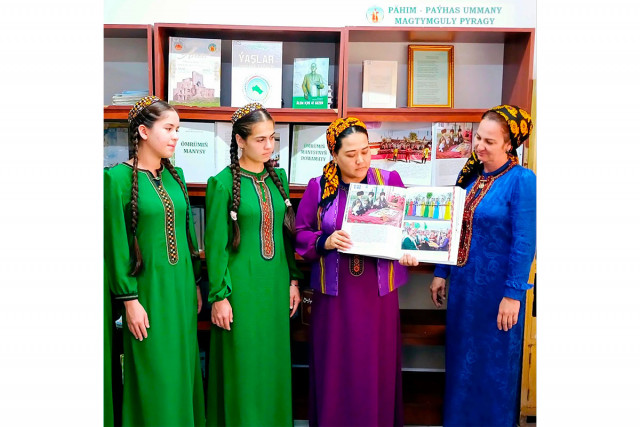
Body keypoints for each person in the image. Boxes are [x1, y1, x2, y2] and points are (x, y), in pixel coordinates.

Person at [295, 117, 418, 427]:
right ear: (334, 155)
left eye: (365, 151)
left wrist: (410, 248)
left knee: (375, 366)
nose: (361, 160)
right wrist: (324, 241)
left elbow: (410, 228)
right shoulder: (319, 187)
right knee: (336, 366)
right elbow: (300, 232)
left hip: (377, 295)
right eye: (351, 154)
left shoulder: (388, 181)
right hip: (335, 296)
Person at [429, 105, 536, 426]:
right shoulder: (471, 178)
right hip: (464, 293)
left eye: (489, 141)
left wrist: (513, 295)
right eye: (478, 138)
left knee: (493, 372)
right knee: (461, 367)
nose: (479, 146)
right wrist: (441, 272)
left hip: (497, 297)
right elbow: (454, 229)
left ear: (509, 144)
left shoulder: (521, 180)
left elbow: (525, 242)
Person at [104, 96, 205, 427]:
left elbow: (188, 237)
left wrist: (195, 284)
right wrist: (129, 300)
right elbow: (115, 246)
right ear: (144, 132)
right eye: (169, 128)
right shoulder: (116, 179)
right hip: (147, 293)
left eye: (178, 129)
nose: (176, 136)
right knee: (154, 374)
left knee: (182, 369)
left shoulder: (176, 176)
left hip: (181, 291)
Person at [204, 102, 302, 427]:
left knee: (272, 363)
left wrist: (293, 281)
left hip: (274, 286)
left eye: (272, 138)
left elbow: (286, 236)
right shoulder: (221, 183)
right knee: (243, 364)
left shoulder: (278, 179)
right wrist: (219, 296)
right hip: (240, 292)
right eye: (261, 139)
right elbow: (216, 246)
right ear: (240, 140)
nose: (269, 146)